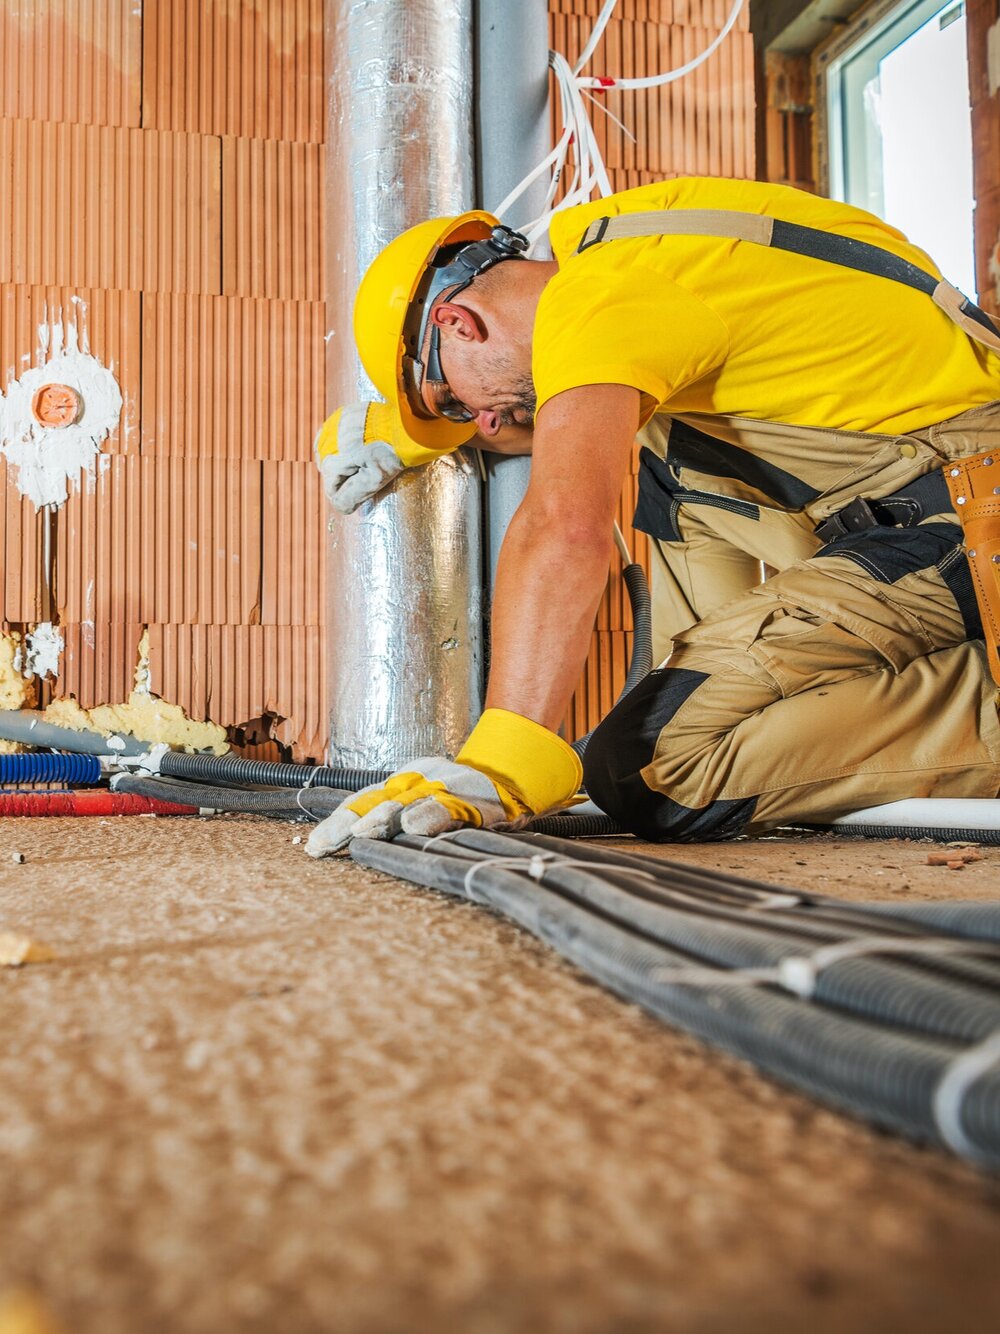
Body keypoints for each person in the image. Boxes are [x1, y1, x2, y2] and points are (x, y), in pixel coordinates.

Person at [307, 176, 1000, 857]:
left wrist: (501, 763)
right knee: (668, 458)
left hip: (970, 514)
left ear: (457, 323)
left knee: (657, 769)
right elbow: (542, 420)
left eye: (457, 404)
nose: (485, 423)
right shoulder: (643, 254)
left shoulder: (597, 294)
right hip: (936, 511)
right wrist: (414, 432)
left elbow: (563, 521)